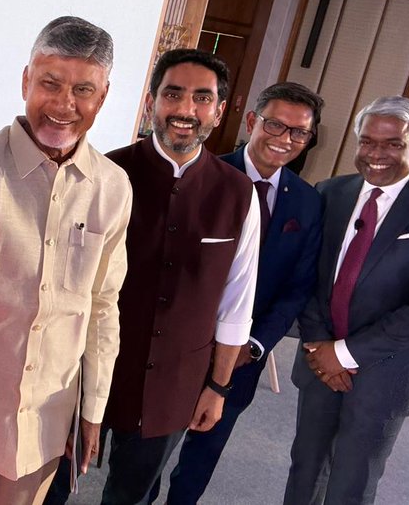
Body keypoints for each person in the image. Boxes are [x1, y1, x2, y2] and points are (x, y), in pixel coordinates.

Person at [0, 16, 132, 504]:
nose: (63, 105)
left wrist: (92, 408)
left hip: (45, 425)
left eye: (83, 90)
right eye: (49, 83)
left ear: (103, 96)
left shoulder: (113, 187)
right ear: (25, 80)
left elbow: (102, 305)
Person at [47, 48, 261, 504]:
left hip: (174, 380)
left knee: (133, 496)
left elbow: (236, 303)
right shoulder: (104, 174)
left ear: (220, 111)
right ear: (151, 102)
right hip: (83, 370)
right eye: (173, 94)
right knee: (50, 487)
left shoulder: (237, 192)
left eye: (202, 98)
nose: (186, 110)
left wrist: (218, 387)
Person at [154, 82, 324, 504]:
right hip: (181, 347)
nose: (284, 140)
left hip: (244, 357)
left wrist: (255, 343)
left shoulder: (307, 202)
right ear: (252, 121)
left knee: (202, 456)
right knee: (151, 454)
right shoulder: (202, 175)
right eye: (274, 125)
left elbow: (297, 287)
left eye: (299, 133)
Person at [284, 96, 409, 505]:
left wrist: (346, 353)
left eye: (393, 144)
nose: (376, 154)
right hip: (320, 356)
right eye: (367, 142)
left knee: (351, 482)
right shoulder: (330, 193)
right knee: (305, 467)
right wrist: (321, 346)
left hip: (388, 368)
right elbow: (309, 277)